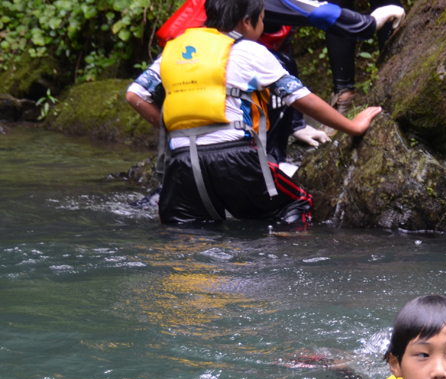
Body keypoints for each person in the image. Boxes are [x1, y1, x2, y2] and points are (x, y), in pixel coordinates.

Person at [125, 0, 382, 225]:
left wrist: (170, 126)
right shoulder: (251, 50)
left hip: (181, 162)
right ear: (247, 22)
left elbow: (134, 95)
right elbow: (302, 100)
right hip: (234, 160)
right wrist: (353, 126)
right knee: (296, 204)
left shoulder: (173, 51)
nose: (263, 24)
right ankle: (277, 269)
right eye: (262, 19)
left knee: (187, 230)